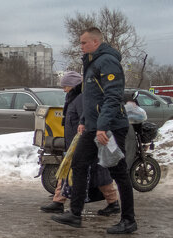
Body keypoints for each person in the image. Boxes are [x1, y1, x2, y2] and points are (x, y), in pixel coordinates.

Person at [52, 27, 138, 234]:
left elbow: (112, 96)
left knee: (118, 171)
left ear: (95, 42)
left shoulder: (107, 62)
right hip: (92, 126)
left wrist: (103, 126)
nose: (81, 46)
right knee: (79, 164)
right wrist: (84, 120)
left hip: (110, 127)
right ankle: (75, 214)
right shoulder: (91, 64)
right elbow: (91, 99)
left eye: (84, 43)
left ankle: (128, 220)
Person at [40, 71, 119, 216]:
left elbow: (88, 120)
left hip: (83, 143)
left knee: (99, 173)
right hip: (74, 143)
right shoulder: (73, 98)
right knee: (65, 170)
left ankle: (113, 202)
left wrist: (84, 140)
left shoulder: (81, 99)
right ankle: (58, 201)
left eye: (66, 86)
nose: (64, 90)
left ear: (73, 85)